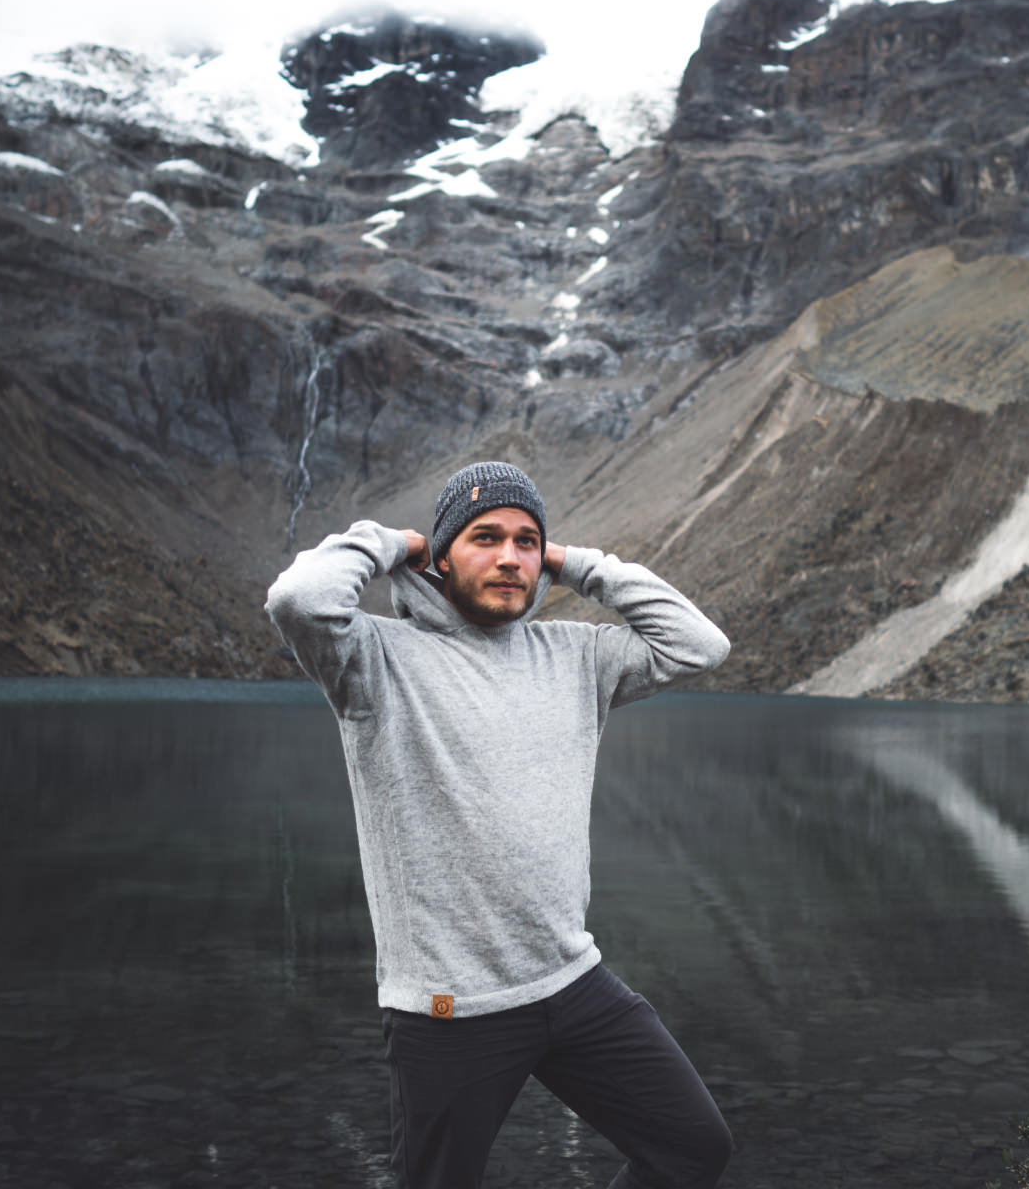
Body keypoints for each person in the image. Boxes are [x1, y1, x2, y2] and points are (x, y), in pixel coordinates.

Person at [265, 461, 733, 1189]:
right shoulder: (374, 659)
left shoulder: (576, 656)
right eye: (486, 538)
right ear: (441, 554)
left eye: (526, 541)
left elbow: (698, 645)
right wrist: (394, 541)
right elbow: (298, 597)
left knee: (692, 1148)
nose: (510, 558)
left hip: (573, 983)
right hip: (450, 1012)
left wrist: (575, 562)